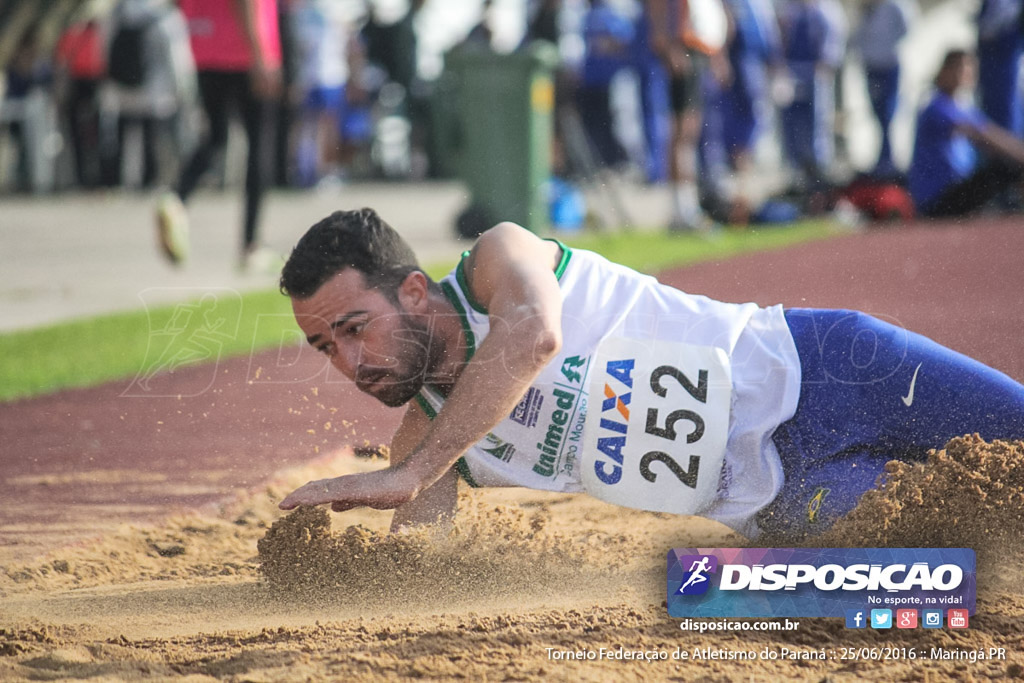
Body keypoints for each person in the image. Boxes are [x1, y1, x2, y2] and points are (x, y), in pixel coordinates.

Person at [276, 209, 1024, 538]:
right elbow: (416, 573)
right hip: (788, 501)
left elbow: (535, 334)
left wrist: (418, 468)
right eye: (325, 349)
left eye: (353, 329)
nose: (349, 363)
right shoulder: (431, 440)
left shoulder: (496, 264)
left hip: (832, 367)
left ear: (411, 291)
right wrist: (318, 557)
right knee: (976, 548)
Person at [154, 0, 282, 270]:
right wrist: (261, 57)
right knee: (259, 146)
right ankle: (251, 245)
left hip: (204, 48)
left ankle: (176, 197)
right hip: (244, 54)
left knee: (216, 138)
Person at [908, 49, 1024, 218]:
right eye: (961, 68)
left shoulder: (963, 106)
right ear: (944, 71)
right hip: (937, 200)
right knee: (1008, 166)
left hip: (956, 190)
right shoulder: (937, 105)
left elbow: (992, 133)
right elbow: (986, 136)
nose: (967, 74)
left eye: (971, 69)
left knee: (1007, 162)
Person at [853, 0, 914, 178]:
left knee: (888, 112)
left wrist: (885, 46)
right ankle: (882, 158)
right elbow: (859, 34)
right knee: (877, 113)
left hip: (888, 66)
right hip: (870, 66)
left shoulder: (896, 5)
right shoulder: (867, 6)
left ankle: (889, 159)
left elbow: (906, 29)